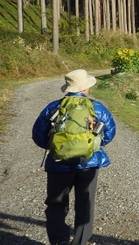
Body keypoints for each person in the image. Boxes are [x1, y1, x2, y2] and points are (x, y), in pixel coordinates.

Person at [32, 69, 117, 245]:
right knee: (85, 204)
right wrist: (92, 145)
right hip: (88, 162)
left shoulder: (53, 107)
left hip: (58, 164)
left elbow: (38, 134)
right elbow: (109, 132)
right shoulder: (97, 107)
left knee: (56, 204)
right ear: (86, 88)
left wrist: (56, 147)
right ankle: (80, 241)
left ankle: (59, 241)